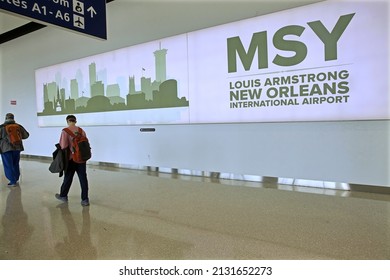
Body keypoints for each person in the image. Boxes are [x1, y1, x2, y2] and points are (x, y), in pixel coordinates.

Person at [55, 115, 90, 206]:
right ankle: (85, 199)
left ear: (67, 121)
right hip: (82, 159)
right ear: (75, 121)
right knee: (83, 178)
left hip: (70, 159)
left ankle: (63, 196)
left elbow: (63, 146)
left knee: (68, 178)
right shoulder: (81, 131)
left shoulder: (65, 131)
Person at [0, 113, 29, 187]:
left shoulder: (2, 127)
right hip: (17, 148)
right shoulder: (18, 126)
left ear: (6, 118)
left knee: (8, 165)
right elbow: (26, 135)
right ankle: (16, 179)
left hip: (6, 149)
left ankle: (12, 181)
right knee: (15, 163)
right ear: (13, 118)